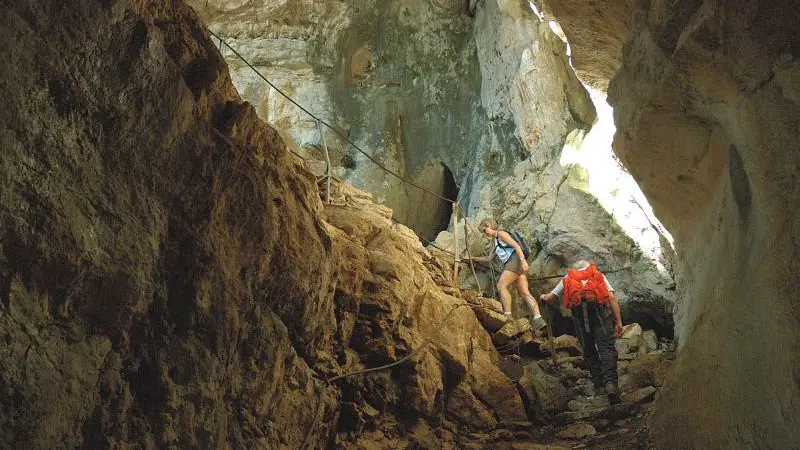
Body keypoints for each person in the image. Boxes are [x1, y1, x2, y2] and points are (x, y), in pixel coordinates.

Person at [539, 260, 624, 403]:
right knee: (606, 349)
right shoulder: (597, 275)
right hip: (601, 316)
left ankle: (599, 386)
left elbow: (551, 298)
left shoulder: (568, 278)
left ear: (575, 268)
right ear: (587, 266)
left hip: (580, 320)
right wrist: (619, 322)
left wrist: (543, 297)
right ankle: (610, 384)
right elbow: (611, 297)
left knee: (589, 350)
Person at [470, 219, 546, 331]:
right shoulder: (495, 242)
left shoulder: (501, 234)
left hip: (514, 261)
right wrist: (473, 259)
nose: (484, 233)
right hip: (515, 263)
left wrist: (523, 261)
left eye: (484, 230)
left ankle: (508, 316)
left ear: (488, 226)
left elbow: (516, 246)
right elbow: (489, 258)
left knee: (501, 286)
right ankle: (538, 319)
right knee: (524, 293)